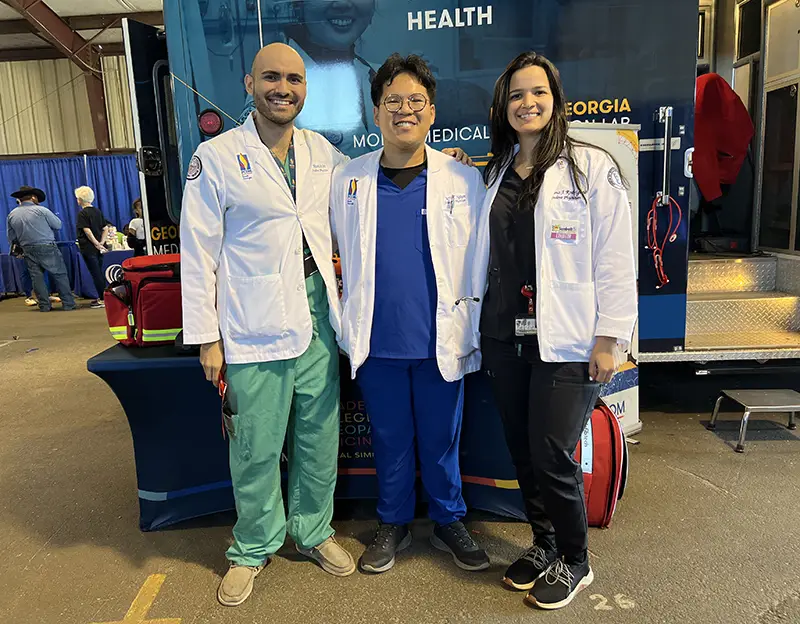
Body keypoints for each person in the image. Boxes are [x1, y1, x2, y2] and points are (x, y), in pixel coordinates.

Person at [180, 43, 356, 607]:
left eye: (295, 79)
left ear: (307, 89)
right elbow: (197, 253)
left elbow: (357, 211)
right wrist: (207, 337)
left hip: (317, 316)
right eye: (272, 77)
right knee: (255, 445)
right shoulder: (217, 157)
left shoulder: (322, 152)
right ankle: (252, 547)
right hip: (250, 323)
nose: (284, 88)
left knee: (318, 436)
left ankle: (313, 531)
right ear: (248, 83)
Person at [472, 52, 637, 610]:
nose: (528, 103)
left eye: (538, 92)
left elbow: (616, 256)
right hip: (504, 333)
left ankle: (577, 558)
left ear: (555, 100)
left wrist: (610, 337)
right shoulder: (493, 172)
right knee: (522, 449)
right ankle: (544, 545)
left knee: (551, 450)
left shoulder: (590, 167)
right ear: (504, 106)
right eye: (517, 94)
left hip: (569, 337)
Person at [330, 53, 489, 575]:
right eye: (392, 101)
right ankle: (392, 522)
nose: (404, 109)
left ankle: (448, 520)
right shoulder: (347, 181)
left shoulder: (463, 179)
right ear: (375, 113)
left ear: (432, 111)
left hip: (439, 338)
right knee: (390, 438)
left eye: (415, 101)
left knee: (442, 440)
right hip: (377, 341)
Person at [6, 185, 76, 312]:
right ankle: (68, 303)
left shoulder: (12, 214)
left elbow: (11, 237)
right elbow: (58, 225)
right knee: (59, 274)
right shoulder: (41, 210)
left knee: (36, 277)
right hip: (46, 246)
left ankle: (44, 305)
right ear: (33, 197)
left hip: (27, 248)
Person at [75, 186, 109, 309]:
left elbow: (87, 231)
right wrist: (101, 242)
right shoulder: (97, 211)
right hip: (99, 247)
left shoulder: (82, 214)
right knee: (99, 271)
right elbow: (105, 228)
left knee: (96, 274)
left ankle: (103, 298)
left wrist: (95, 243)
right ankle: (103, 296)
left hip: (88, 248)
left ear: (80, 199)